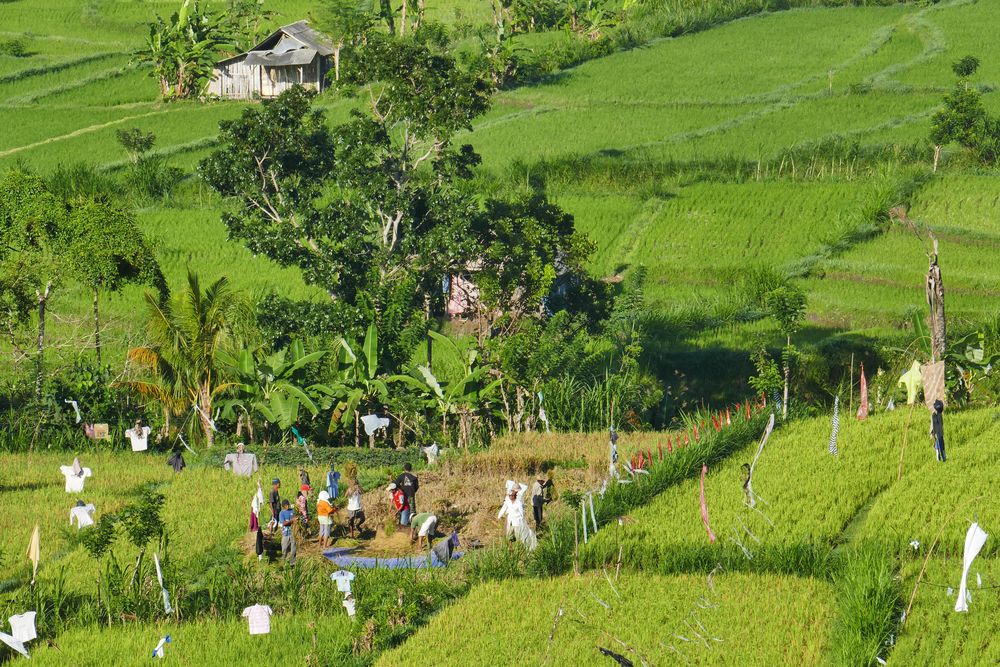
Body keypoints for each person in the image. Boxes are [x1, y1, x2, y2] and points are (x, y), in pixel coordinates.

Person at [498, 482, 537, 550]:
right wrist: (499, 516)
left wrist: (522, 520)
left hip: (517, 521)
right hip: (510, 518)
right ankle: (509, 548)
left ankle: (519, 548)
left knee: (518, 535)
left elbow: (521, 511)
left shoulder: (518, 500)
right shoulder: (508, 499)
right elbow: (504, 507)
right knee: (508, 534)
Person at [278, 500, 297, 565]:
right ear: (283, 506)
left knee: (293, 545)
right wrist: (291, 520)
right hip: (285, 532)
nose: (287, 506)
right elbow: (283, 523)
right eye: (286, 506)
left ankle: (292, 561)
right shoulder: (281, 513)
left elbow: (295, 518)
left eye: (288, 505)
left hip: (292, 531)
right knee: (284, 546)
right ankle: (283, 561)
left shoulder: (292, 511)